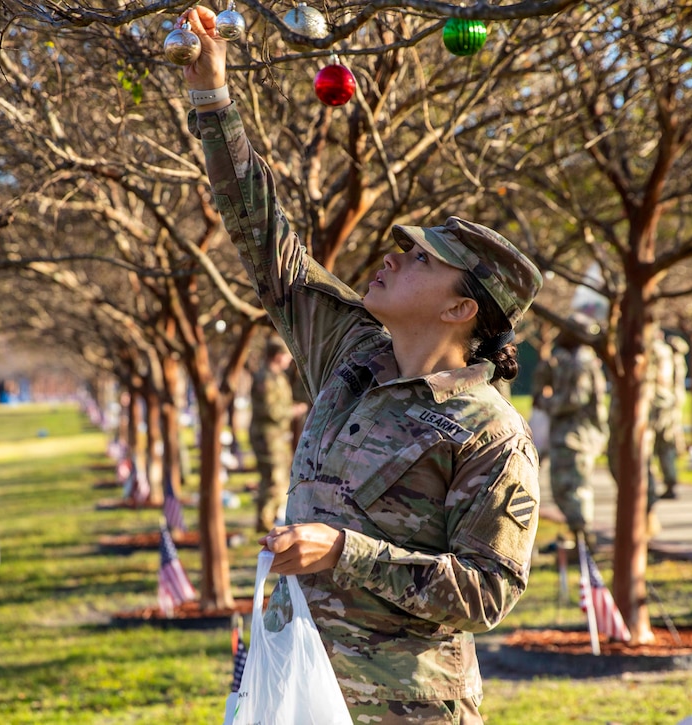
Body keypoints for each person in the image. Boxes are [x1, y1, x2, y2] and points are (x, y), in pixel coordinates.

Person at [182, 9, 542, 720]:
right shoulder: (352, 356)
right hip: (297, 686)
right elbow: (267, 246)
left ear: (460, 310)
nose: (391, 256)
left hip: (404, 707)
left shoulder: (489, 435)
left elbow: (488, 590)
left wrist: (344, 551)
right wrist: (212, 103)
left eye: (420, 259)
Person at [531, 314, 608, 543]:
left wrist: (543, 402)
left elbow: (573, 400)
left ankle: (583, 541)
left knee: (572, 488)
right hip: (568, 434)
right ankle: (579, 536)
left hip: (575, 436)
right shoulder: (570, 359)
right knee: (563, 488)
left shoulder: (580, 363)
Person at [249, 336, 307, 532]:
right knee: (273, 479)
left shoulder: (277, 376)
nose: (290, 360)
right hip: (267, 436)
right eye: (287, 356)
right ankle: (264, 522)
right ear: (277, 355)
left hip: (276, 436)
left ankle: (270, 517)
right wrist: (294, 410)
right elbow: (271, 411)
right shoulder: (265, 378)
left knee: (279, 478)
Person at [648, 330, 688, 500]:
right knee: (667, 444)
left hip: (654, 401)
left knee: (649, 445)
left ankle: (649, 484)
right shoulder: (669, 353)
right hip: (669, 401)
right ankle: (670, 481)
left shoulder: (651, 350)